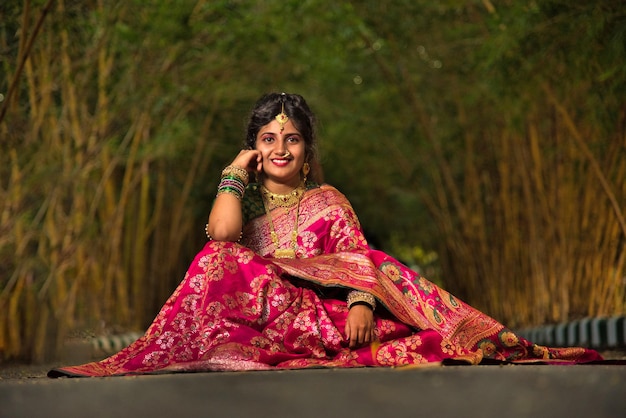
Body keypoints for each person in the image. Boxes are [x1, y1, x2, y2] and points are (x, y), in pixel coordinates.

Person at [48, 93, 601, 377]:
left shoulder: (327, 200)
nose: (280, 148)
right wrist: (236, 171)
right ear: (254, 147)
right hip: (260, 318)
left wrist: (362, 303)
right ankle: (223, 350)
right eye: (267, 138)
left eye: (291, 138)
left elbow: (359, 256)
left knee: (235, 264)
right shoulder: (244, 200)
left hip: (321, 316)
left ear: (308, 150)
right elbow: (220, 236)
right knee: (218, 260)